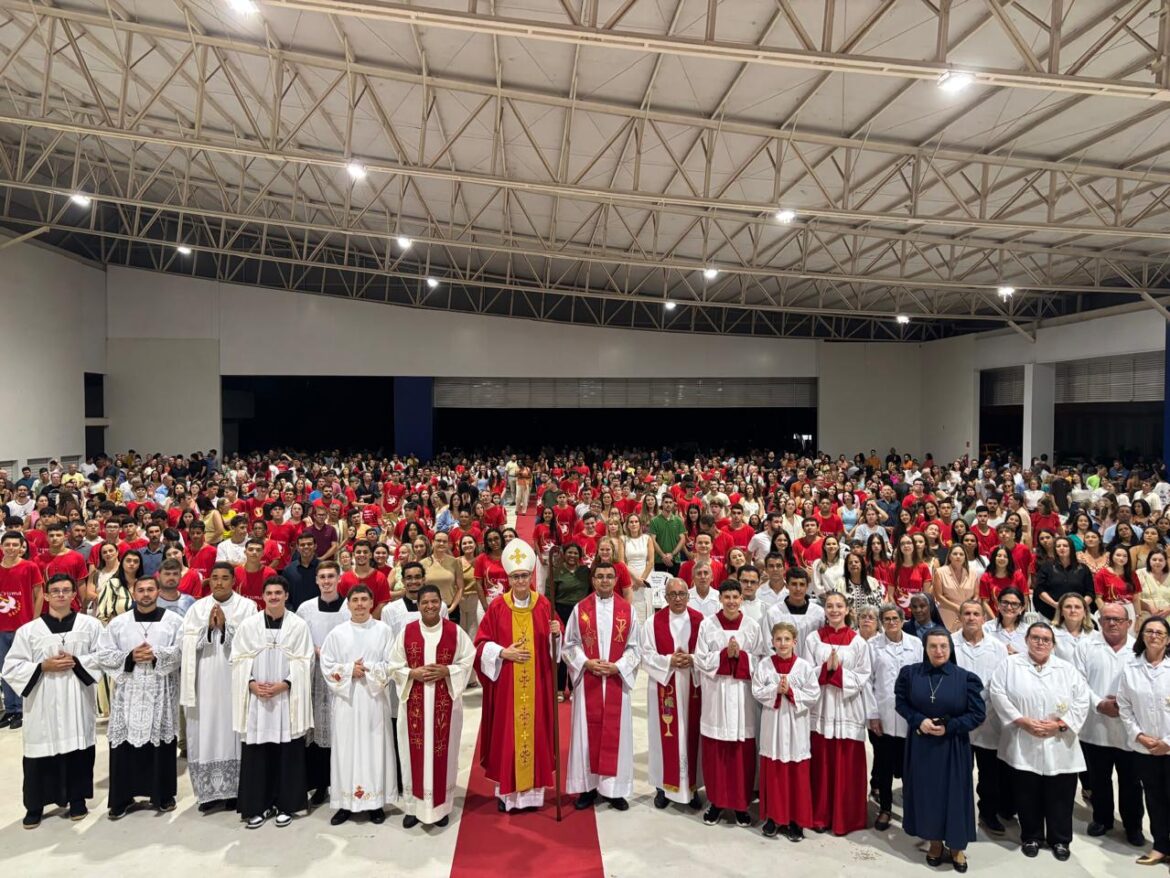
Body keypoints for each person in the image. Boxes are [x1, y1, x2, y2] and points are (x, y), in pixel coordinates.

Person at [1, 573, 102, 827]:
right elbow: (11, 667)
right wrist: (42, 666)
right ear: (45, 596)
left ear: (73, 595)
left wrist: (78, 662)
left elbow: (104, 657)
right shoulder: (29, 631)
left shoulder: (90, 626)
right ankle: (35, 805)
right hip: (42, 702)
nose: (60, 595)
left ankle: (77, 800)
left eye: (66, 590)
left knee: (79, 749)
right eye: (55, 591)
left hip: (77, 699)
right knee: (39, 752)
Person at [989, 621, 1090, 860]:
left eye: (1046, 639)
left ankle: (1060, 840)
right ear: (1026, 640)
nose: (1040, 642)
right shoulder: (1009, 665)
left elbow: (1082, 700)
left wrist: (1060, 724)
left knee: (1061, 795)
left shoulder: (1067, 669)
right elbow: (997, 693)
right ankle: (1032, 836)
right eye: (1035, 637)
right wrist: (1021, 720)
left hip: (1059, 742)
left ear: (1053, 644)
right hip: (1024, 738)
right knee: (1027, 793)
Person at [473, 538, 561, 812]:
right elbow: (480, 645)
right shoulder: (498, 607)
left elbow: (556, 650)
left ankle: (533, 795)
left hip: (538, 685)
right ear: (508, 578)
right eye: (515, 576)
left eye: (524, 576)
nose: (521, 581)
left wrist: (557, 634)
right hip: (508, 687)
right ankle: (507, 795)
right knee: (508, 734)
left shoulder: (544, 605)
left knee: (536, 733)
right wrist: (502, 653)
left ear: (531, 576)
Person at [895, 627, 986, 872]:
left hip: (953, 746)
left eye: (943, 646)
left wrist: (951, 726)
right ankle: (935, 842)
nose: (938, 651)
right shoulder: (910, 674)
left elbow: (978, 714)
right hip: (921, 744)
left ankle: (957, 847)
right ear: (925, 649)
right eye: (933, 646)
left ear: (950, 648)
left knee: (955, 795)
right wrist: (918, 720)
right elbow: (901, 703)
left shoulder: (965, 677)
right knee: (927, 796)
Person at [388, 583, 475, 828]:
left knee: (443, 754)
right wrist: (411, 673)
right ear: (418, 606)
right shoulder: (407, 632)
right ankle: (414, 808)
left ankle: (441, 806)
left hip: (444, 704)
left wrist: (448, 670)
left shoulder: (455, 632)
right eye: (425, 602)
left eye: (434, 602)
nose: (430, 606)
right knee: (411, 753)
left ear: (441, 604)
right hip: (414, 703)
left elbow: (468, 660)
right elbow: (393, 666)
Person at [97, 575, 184, 819]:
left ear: (158, 592)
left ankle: (163, 796)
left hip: (161, 694)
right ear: (133, 594)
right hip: (129, 694)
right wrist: (129, 657)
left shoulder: (174, 621)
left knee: (162, 744)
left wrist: (155, 655)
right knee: (123, 746)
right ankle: (121, 799)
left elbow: (181, 651)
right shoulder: (118, 623)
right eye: (141, 590)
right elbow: (103, 654)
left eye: (150, 590)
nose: (146, 594)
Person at [231, 576, 315, 829]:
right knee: (258, 753)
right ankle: (258, 805)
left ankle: (287, 805)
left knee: (287, 752)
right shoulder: (249, 625)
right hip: (257, 699)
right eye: (270, 593)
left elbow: (305, 660)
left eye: (279, 593)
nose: (274, 597)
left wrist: (285, 684)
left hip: (286, 698)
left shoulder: (298, 626)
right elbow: (237, 659)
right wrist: (251, 684)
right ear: (264, 596)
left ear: (287, 596)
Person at [179, 561, 257, 812]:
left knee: (233, 728)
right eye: (215, 577)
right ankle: (208, 794)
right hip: (204, 679)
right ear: (209, 581)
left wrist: (225, 628)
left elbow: (253, 642)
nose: (220, 582)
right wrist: (206, 629)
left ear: (234, 580)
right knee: (205, 728)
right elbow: (184, 643)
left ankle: (236, 790)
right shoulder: (197, 608)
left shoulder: (247, 606)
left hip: (234, 678)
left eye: (225, 577)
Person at [563, 561, 640, 811]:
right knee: (586, 735)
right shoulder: (580, 609)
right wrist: (586, 662)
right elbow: (569, 644)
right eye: (600, 576)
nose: (605, 581)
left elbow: (635, 648)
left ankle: (614, 790)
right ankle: (588, 787)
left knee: (616, 737)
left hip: (616, 680)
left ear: (616, 579)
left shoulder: (627, 611)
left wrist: (618, 666)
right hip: (590, 681)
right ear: (593, 580)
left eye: (609, 576)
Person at [319, 585, 397, 826]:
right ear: (349, 604)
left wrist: (368, 670)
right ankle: (345, 803)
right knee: (346, 749)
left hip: (373, 700)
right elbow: (327, 664)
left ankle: (375, 803)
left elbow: (392, 664)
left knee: (375, 748)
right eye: (355, 600)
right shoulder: (337, 633)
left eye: (365, 599)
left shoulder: (384, 630)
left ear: (372, 602)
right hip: (347, 702)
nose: (360, 604)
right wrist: (348, 670)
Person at [694, 579, 766, 827]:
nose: (732, 602)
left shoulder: (752, 626)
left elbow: (762, 660)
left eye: (736, 597)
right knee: (716, 753)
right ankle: (716, 802)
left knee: (741, 754)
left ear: (742, 600)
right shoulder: (708, 625)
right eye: (727, 597)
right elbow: (700, 659)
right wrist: (726, 655)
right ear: (720, 599)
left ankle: (741, 805)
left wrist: (742, 657)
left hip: (742, 696)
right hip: (716, 695)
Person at [1074, 602, 1145, 846]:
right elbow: (1078, 683)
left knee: (1132, 782)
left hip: (1130, 729)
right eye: (1107, 619)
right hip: (1095, 727)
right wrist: (1099, 703)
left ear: (1129, 623)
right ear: (1099, 621)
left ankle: (1133, 826)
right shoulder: (1085, 646)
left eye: (1117, 619)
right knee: (1098, 779)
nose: (1112, 623)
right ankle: (1102, 819)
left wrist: (1124, 707)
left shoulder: (1140, 649)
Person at [806, 592, 872, 836]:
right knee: (821, 762)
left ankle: (846, 817)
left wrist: (838, 673)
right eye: (830, 606)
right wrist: (826, 669)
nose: (834, 610)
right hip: (821, 706)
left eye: (839, 606)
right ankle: (820, 814)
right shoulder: (813, 639)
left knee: (845, 762)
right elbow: (804, 671)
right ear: (824, 610)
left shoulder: (858, 642)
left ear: (847, 610)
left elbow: (864, 675)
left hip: (847, 707)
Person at [638, 577, 704, 810]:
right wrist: (669, 661)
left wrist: (692, 659)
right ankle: (663, 787)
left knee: (692, 735)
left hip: (693, 687)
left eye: (682, 594)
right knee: (662, 736)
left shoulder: (700, 621)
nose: (677, 598)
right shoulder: (652, 623)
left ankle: (692, 787)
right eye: (672, 594)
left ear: (688, 596)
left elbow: (708, 652)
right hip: (664, 686)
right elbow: (644, 654)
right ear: (665, 597)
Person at [753, 620, 819, 842]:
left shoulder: (804, 667)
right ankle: (773, 817)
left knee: (795, 772)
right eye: (778, 639)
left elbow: (813, 694)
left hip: (796, 725)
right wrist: (775, 690)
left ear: (795, 641)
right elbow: (757, 690)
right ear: (772, 642)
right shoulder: (764, 665)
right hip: (773, 725)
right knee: (774, 772)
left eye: (787, 639)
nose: (782, 643)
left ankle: (796, 820)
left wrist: (791, 692)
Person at [952, 599, 1011, 834]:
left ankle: (988, 814)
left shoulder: (997, 647)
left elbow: (1001, 682)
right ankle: (958, 813)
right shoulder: (949, 643)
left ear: (983, 618)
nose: (971, 617)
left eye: (976, 613)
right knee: (959, 772)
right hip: (958, 718)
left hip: (989, 718)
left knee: (990, 775)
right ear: (960, 617)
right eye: (966, 613)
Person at [295, 561, 351, 806]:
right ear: (316, 581)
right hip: (315, 675)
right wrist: (312, 650)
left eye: (331, 576)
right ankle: (320, 784)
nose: (327, 581)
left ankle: (345, 782)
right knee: (318, 730)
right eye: (322, 577)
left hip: (343, 676)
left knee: (343, 729)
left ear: (339, 579)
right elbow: (296, 638)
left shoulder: (351, 607)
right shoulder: (306, 609)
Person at [1117, 616, 1170, 865]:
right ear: (1142, 636)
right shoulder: (1131, 668)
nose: (1154, 636)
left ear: (1168, 639)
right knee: (1154, 797)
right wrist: (1139, 735)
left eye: (1160, 632)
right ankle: (1160, 846)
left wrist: (1167, 742)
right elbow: (1124, 707)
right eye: (1149, 631)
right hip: (1144, 747)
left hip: (1169, 746)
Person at [868, 602, 924, 831]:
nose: (891, 622)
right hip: (883, 714)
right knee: (883, 764)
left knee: (911, 765)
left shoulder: (916, 644)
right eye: (887, 619)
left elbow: (921, 678)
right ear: (882, 622)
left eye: (895, 618)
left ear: (903, 620)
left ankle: (912, 808)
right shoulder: (873, 645)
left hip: (909, 716)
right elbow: (868, 682)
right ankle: (885, 809)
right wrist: (872, 715)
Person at [0, 529, 44, 729]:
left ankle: (21, 709)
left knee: (23, 668)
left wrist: (34, 622)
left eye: (14, 545)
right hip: (2, 627)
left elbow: (39, 594)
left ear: (21, 547)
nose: (11, 548)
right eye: (7, 545)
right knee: (5, 670)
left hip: (23, 626)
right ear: (1, 547)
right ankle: (10, 709)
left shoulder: (30, 567)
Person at [762, 567, 824, 660]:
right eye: (794, 584)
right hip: (782, 667)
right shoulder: (774, 613)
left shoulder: (819, 613)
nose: (798, 589)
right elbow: (768, 645)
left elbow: (821, 645)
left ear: (807, 586)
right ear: (787, 586)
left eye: (802, 584)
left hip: (811, 668)